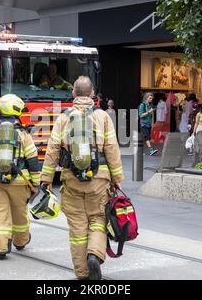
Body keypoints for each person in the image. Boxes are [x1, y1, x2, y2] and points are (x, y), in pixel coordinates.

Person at [40, 76, 124, 280]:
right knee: (98, 219)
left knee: (77, 226)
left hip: (71, 179)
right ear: (93, 94)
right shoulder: (103, 116)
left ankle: (82, 272)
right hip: (100, 179)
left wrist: (46, 178)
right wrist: (117, 177)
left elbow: (52, 149)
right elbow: (112, 148)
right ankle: (95, 254)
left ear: (73, 94)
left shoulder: (63, 117)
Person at [0, 94, 40, 260]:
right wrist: (36, 183)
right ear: (16, 112)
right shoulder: (24, 135)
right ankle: (21, 241)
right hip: (20, 183)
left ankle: (0, 247)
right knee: (20, 213)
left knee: (0, 213)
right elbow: (33, 161)